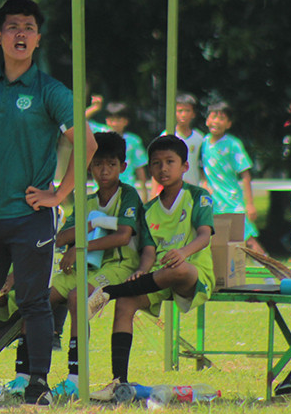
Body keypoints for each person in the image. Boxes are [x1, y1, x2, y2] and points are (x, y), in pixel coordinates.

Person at [0, 0, 95, 405]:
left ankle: (37, 384)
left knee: (33, 302)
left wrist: (60, 194)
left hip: (31, 218)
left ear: (38, 40)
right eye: (13, 26)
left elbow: (86, 144)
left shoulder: (51, 91)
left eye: (29, 28)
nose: (21, 33)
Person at [86, 134, 215, 399]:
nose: (163, 169)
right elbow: (148, 250)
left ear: (185, 166)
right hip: (157, 277)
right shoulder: (149, 209)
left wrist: (183, 252)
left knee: (179, 269)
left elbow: (204, 236)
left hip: (191, 273)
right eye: (156, 163)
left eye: (170, 162)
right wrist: (142, 269)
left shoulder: (198, 196)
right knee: (125, 306)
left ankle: (110, 291)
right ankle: (118, 382)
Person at [48, 131, 143, 400]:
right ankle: (28, 376)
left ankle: (76, 377)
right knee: (41, 300)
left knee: (78, 299)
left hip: (120, 266)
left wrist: (81, 246)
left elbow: (124, 235)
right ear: (89, 165)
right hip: (86, 266)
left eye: (111, 164)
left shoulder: (128, 195)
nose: (104, 171)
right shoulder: (86, 200)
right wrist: (88, 226)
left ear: (123, 167)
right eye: (98, 164)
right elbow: (61, 237)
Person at [201, 101, 265, 254]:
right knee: (217, 243)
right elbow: (203, 168)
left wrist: (249, 204)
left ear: (228, 124)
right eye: (213, 117)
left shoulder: (233, 144)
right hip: (214, 204)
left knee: (248, 239)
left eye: (221, 118)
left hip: (232, 202)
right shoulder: (204, 143)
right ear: (207, 120)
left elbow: (245, 175)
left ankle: (269, 273)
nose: (216, 121)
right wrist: (204, 184)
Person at [104, 102, 149, 202]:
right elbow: (80, 122)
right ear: (107, 121)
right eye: (112, 120)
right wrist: (94, 108)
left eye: (118, 120)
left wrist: (144, 191)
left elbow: (140, 167)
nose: (115, 123)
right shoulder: (99, 138)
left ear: (126, 121)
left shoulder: (134, 141)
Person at [173, 93, 205, 186]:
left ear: (193, 114)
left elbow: (204, 165)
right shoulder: (167, 136)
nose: (183, 114)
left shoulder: (199, 138)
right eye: (180, 111)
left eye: (187, 111)